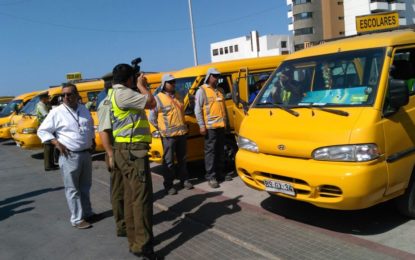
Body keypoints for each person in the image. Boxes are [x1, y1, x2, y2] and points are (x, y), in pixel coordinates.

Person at [109, 64, 159, 259]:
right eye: (133, 78)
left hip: (123, 150)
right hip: (133, 151)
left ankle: (134, 242)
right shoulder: (124, 94)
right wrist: (142, 85)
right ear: (129, 79)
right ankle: (144, 246)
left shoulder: (114, 94)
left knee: (130, 198)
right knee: (141, 200)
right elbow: (152, 102)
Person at [37, 83, 96, 229]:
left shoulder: (83, 109)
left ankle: (87, 213)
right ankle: (77, 219)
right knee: (72, 189)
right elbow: (43, 130)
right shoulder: (57, 112)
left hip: (85, 154)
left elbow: (89, 125)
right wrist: (56, 143)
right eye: (63, 95)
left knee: (85, 187)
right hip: (69, 155)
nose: (65, 97)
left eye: (69, 94)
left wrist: (92, 139)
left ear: (76, 95)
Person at [149, 74, 193, 195]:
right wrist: (161, 129)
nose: (173, 84)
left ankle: (184, 180)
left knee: (182, 159)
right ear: (164, 85)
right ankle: (169, 185)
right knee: (168, 161)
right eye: (170, 82)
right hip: (168, 136)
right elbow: (151, 118)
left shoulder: (179, 96)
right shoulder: (158, 98)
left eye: (174, 81)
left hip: (181, 134)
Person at [97, 72, 126, 237]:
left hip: (120, 150)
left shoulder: (111, 98)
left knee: (122, 190)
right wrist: (110, 154)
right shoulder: (107, 101)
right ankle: (122, 225)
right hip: (115, 151)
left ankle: (125, 222)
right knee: (118, 190)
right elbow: (104, 131)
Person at [194, 67, 232, 189]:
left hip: (221, 126)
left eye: (217, 76)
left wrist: (227, 124)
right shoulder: (202, 91)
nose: (216, 78)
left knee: (221, 150)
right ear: (209, 76)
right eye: (214, 76)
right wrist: (201, 126)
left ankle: (220, 173)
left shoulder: (220, 91)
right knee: (210, 152)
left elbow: (223, 109)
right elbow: (197, 110)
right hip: (210, 128)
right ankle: (211, 176)